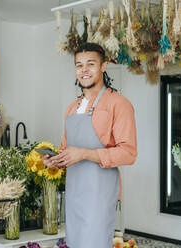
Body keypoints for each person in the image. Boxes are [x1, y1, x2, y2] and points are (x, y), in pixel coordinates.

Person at [42, 43, 137, 248]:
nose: (84, 70)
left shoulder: (119, 104)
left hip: (99, 194)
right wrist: (55, 161)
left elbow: (128, 153)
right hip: (74, 192)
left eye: (90, 64)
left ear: (103, 66)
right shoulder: (71, 108)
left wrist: (84, 154)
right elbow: (67, 151)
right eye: (79, 65)